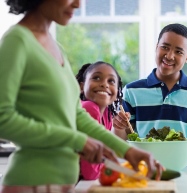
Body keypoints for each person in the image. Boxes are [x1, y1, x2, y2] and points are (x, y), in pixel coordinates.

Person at [0, 1, 162, 192]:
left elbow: (77, 115)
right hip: (32, 182)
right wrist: (78, 140)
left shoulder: (55, 47)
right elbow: (3, 119)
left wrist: (129, 151)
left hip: (64, 183)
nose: (78, 4)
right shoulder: (16, 41)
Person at [113, 23, 187, 165]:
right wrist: (118, 126)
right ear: (156, 47)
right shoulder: (132, 91)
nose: (169, 56)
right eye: (165, 47)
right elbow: (121, 144)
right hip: (147, 169)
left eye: (178, 52)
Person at [75, 61, 124, 180]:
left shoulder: (107, 114)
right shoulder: (89, 107)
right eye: (96, 78)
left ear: (117, 92)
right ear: (81, 87)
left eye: (111, 81)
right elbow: (91, 172)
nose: (104, 84)